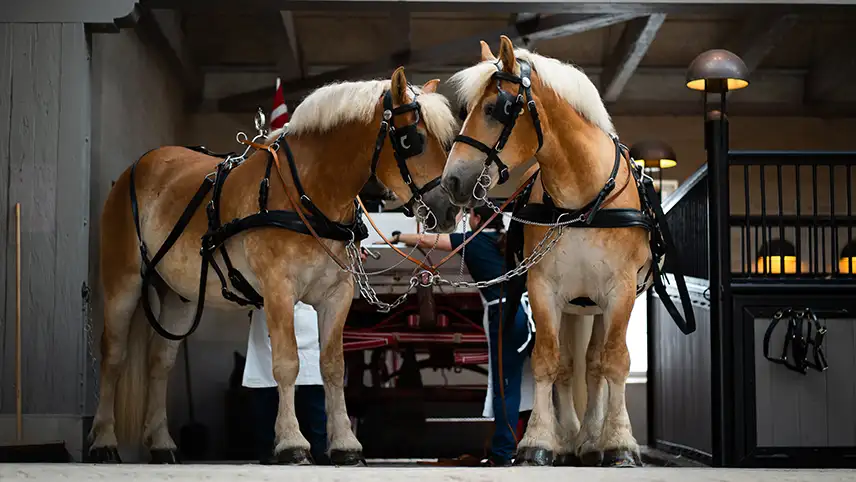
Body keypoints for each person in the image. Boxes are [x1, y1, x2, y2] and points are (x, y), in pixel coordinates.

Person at [386, 205, 536, 467]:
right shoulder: (508, 240)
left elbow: (429, 240)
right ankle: (516, 445)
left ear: (476, 218)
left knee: (504, 387)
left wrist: (398, 236)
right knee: (521, 383)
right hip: (526, 313)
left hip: (504, 314)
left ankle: (503, 452)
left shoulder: (472, 241)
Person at [242, 302, 329, 465]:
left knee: (313, 391)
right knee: (267, 389)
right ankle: (268, 449)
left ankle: (320, 449)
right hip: (269, 318)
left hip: (307, 319)